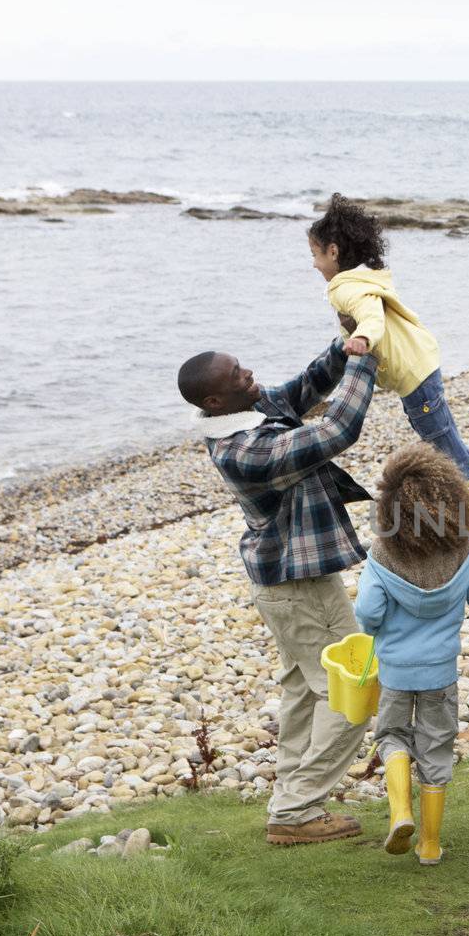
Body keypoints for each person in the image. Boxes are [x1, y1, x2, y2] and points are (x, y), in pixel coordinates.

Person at [177, 337, 376, 845]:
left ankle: (291, 800)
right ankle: (296, 810)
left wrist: (345, 342)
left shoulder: (251, 408)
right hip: (295, 586)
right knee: (354, 692)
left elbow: (307, 386)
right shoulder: (243, 450)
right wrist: (365, 362)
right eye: (238, 376)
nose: (251, 376)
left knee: (305, 695)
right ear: (214, 403)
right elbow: (336, 430)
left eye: (243, 367)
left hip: (292, 580)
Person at [354, 443, 469, 865]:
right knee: (436, 748)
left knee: (392, 736)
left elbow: (367, 612)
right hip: (440, 674)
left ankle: (401, 812)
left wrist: (375, 630)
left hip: (397, 672)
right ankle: (431, 845)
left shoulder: (383, 553)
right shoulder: (461, 548)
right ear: (451, 498)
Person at [308, 194, 469, 477]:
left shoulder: (346, 288)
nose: (314, 264)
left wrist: (361, 339)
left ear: (333, 252)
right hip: (421, 365)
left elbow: (371, 317)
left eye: (315, 254)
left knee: (445, 453)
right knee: (451, 442)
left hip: (414, 376)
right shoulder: (364, 279)